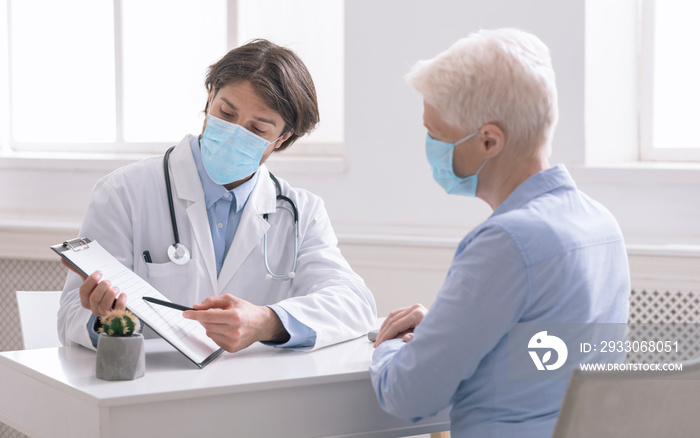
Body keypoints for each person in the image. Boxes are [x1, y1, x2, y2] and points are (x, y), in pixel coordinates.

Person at [369, 29, 630, 437]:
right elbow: (537, 365)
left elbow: (408, 395)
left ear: (489, 140)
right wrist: (442, 328)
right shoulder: (601, 224)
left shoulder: (506, 242)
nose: (430, 146)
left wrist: (390, 343)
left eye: (436, 134)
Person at [58, 39, 376, 353]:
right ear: (210, 96)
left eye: (257, 129)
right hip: (151, 389)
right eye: (226, 112)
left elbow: (354, 303)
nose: (236, 131)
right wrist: (109, 322)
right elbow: (72, 313)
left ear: (283, 138)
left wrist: (268, 322)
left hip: (252, 390)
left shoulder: (301, 212)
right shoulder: (124, 193)